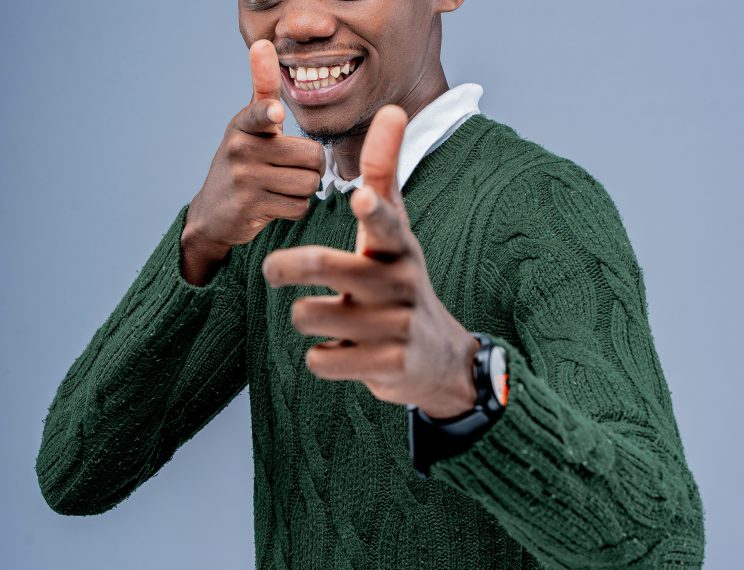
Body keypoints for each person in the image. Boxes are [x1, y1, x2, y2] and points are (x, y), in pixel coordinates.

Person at [35, 1, 705, 568]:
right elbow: (74, 472)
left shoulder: (539, 206)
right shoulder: (267, 223)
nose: (298, 22)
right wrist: (199, 240)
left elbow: (664, 545)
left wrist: (461, 384)